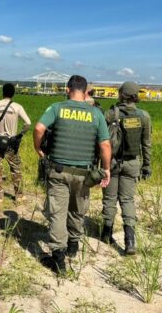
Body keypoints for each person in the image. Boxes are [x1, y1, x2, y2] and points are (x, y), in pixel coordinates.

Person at [33, 75, 111, 275]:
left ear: (67, 90)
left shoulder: (57, 108)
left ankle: (58, 258)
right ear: (86, 92)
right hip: (84, 174)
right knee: (78, 209)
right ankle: (74, 245)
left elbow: (39, 128)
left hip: (58, 170)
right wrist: (106, 169)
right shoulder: (96, 114)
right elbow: (105, 144)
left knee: (57, 212)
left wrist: (38, 148)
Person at [101, 81, 152, 255]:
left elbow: (101, 140)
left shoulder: (110, 114)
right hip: (132, 164)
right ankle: (129, 241)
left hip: (112, 162)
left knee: (109, 199)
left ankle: (106, 234)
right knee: (127, 200)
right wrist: (147, 165)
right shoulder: (144, 116)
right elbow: (146, 144)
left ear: (121, 94)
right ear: (135, 95)